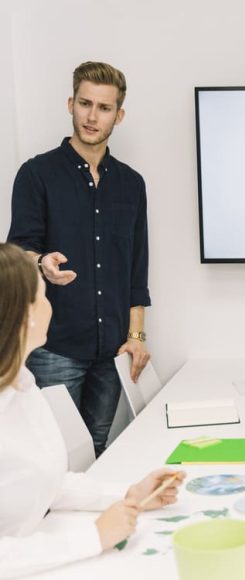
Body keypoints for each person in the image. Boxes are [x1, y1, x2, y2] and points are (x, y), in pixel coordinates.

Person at [0, 243, 184, 578]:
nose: (49, 305)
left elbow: (48, 482)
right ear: (26, 315)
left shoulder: (25, 389)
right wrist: (92, 537)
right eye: (43, 296)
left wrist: (128, 493)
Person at [7, 61, 151, 456]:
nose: (92, 116)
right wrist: (42, 264)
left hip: (114, 350)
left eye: (104, 108)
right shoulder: (36, 174)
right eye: (85, 103)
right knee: (55, 456)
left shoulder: (131, 184)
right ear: (71, 103)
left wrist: (137, 337)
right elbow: (18, 252)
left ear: (118, 115)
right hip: (56, 348)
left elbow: (136, 269)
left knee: (98, 449)